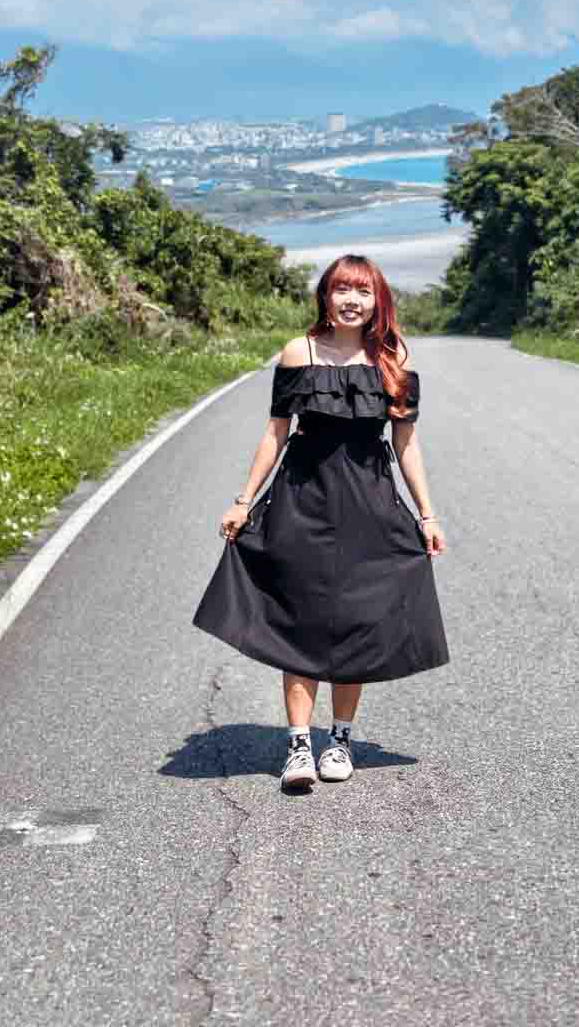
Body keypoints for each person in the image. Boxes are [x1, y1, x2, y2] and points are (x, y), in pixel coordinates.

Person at [191, 253, 449, 792]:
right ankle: (298, 745)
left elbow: (406, 443)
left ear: (378, 302)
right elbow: (276, 432)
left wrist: (426, 513)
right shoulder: (298, 353)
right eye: (341, 290)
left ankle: (341, 739)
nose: (352, 301)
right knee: (301, 621)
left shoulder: (392, 357)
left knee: (356, 620)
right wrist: (244, 500)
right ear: (325, 297)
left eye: (363, 292)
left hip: (370, 506)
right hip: (301, 500)